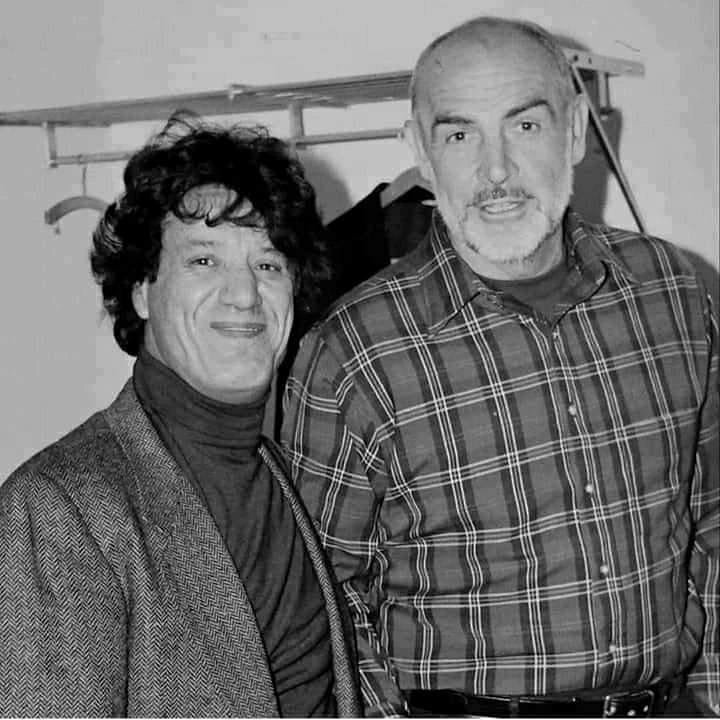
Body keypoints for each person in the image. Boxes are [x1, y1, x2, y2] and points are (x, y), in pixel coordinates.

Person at [281, 16, 719, 718]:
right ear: (421, 154)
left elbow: (714, 515)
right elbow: (320, 601)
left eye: (525, 126)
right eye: (460, 136)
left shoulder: (671, 292)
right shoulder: (351, 353)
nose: (495, 171)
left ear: (575, 133)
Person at [0, 114, 361, 718]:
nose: (244, 295)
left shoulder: (275, 475)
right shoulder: (59, 508)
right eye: (204, 262)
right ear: (142, 289)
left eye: (268, 264)